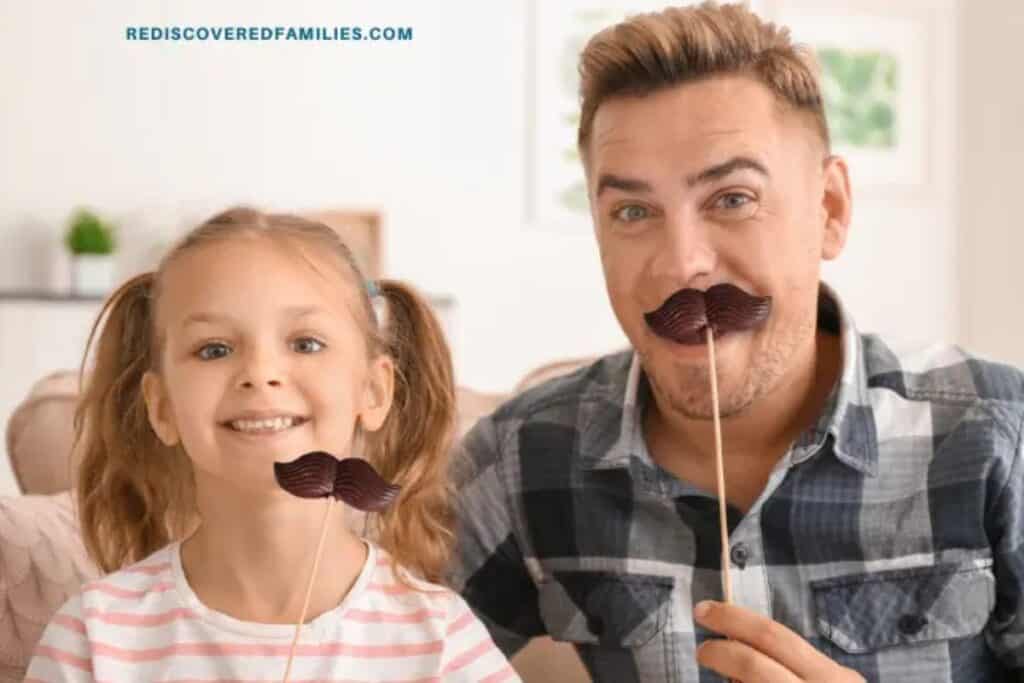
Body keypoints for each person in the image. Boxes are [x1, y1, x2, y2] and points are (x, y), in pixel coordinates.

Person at [450, 3, 1024, 682]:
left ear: (830, 209)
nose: (680, 264)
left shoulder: (997, 432)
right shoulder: (517, 462)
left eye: (732, 199)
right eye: (633, 212)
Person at [26, 207, 519, 682]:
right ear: (162, 407)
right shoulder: (94, 637)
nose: (260, 373)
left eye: (306, 343)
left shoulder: (438, 639)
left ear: (373, 390)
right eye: (214, 349)